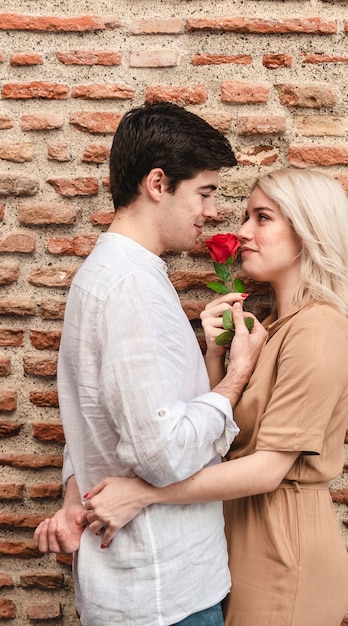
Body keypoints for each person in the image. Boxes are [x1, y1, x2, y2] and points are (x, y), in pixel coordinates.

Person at [80, 167, 348, 626]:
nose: (242, 232)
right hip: (242, 540)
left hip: (284, 547)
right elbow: (226, 433)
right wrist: (218, 357)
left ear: (307, 230)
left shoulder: (319, 328)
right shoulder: (274, 328)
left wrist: (143, 493)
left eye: (262, 218)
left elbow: (268, 468)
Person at [33, 102, 268, 626]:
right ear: (158, 183)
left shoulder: (108, 274)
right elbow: (161, 454)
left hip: (143, 586)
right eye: (205, 192)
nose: (212, 212)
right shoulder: (130, 287)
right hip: (166, 594)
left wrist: (75, 494)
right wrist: (233, 380)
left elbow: (94, 418)